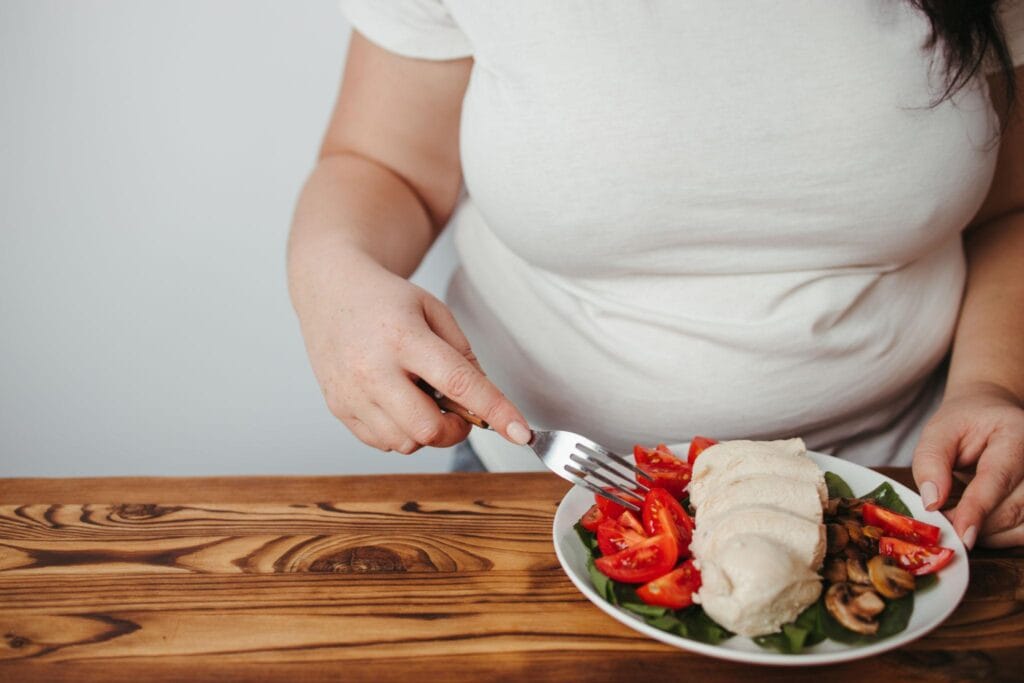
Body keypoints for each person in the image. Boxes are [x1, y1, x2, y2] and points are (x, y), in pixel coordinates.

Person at [288, 1, 1024, 549]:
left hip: (903, 492)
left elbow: (1007, 210)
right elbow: (384, 164)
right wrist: (331, 276)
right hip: (535, 490)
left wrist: (994, 385)